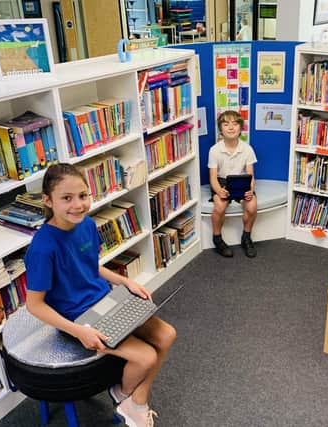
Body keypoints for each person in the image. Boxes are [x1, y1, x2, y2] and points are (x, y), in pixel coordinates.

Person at [24, 163, 176, 427]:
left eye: (83, 196)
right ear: (48, 200)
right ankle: (130, 400)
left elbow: (89, 265)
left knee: (167, 334)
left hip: (107, 301)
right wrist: (78, 331)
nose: (78, 205)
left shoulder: (87, 225)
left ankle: (130, 397)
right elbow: (34, 305)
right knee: (147, 357)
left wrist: (122, 281)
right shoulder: (42, 248)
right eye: (67, 198)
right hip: (79, 319)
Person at [208, 110, 258, 258]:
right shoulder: (215, 150)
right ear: (221, 129)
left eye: (235, 124)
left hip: (242, 181)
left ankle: (246, 237)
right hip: (222, 182)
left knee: (252, 205)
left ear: (240, 128)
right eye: (226, 124)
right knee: (220, 205)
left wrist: (250, 190)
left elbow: (251, 176)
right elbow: (212, 177)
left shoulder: (247, 149)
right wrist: (218, 191)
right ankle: (217, 238)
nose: (231, 127)